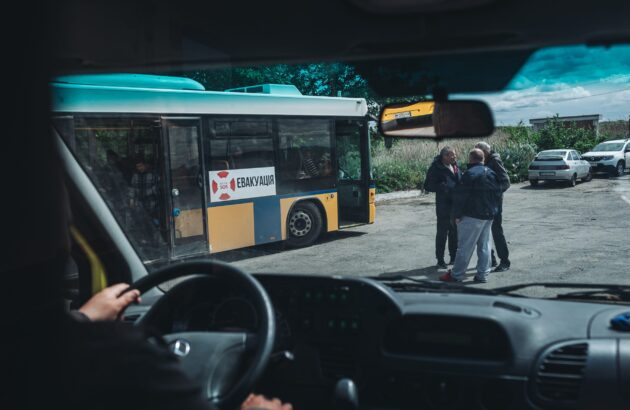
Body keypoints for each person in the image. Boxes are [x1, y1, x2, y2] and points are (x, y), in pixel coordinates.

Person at [440, 148, 501, 283]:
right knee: (485, 246)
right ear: (483, 159)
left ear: (471, 159)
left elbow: (460, 197)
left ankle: (456, 275)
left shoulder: (469, 174)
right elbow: (498, 193)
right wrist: (493, 210)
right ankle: (482, 275)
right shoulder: (491, 173)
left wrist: (456, 215)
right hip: (488, 215)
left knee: (465, 247)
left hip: (472, 216)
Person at [475, 142, 511, 272]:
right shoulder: (485, 160)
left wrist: (492, 194)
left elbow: (506, 182)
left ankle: (505, 261)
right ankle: (492, 259)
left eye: (479, 152)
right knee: (483, 232)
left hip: (494, 203)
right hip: (484, 203)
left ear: (485, 151)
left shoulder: (495, 160)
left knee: (496, 231)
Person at [423, 146, 462, 269]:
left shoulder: (455, 165)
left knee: (454, 233)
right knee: (442, 233)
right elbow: (427, 186)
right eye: (452, 155)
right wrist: (443, 187)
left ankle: (453, 257)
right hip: (443, 206)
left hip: (455, 205)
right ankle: (440, 260)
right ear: (444, 156)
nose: (454, 157)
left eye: (454, 155)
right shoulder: (436, 168)